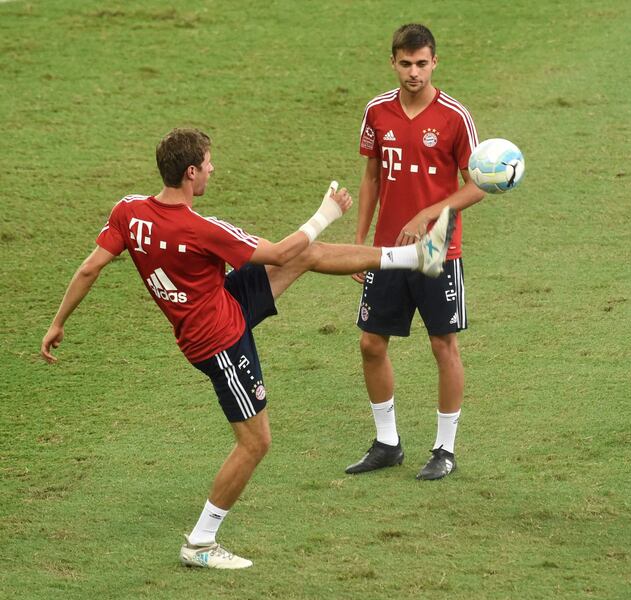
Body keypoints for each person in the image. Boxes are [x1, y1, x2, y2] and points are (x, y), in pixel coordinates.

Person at [40, 128, 455, 569]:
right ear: (190, 172)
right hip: (219, 339)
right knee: (255, 442)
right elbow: (276, 253)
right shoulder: (201, 229)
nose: (213, 168)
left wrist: (58, 322)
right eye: (208, 162)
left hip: (221, 302)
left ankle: (417, 257)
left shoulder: (128, 211)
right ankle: (201, 542)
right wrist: (325, 212)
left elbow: (89, 269)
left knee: (308, 256)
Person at [345, 23, 485, 481]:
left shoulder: (454, 117)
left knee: (443, 345)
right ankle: (387, 443)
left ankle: (445, 448)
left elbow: (478, 185)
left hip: (437, 251)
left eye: (421, 63)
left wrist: (429, 213)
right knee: (370, 343)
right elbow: (370, 177)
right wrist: (359, 242)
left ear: (434, 62)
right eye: (405, 63)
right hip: (386, 251)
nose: (413, 72)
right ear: (393, 62)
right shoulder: (377, 112)